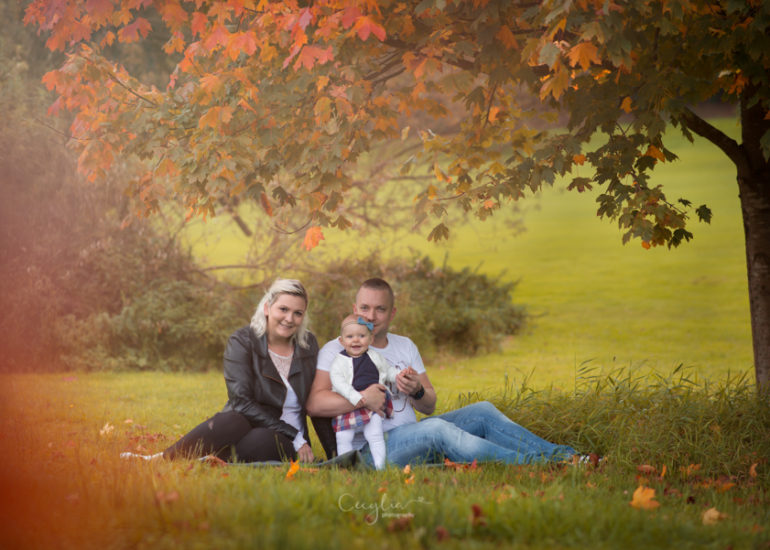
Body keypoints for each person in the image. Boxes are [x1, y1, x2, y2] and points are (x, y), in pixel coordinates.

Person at [306, 278, 583, 468]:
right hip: (372, 450)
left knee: (483, 411)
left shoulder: (405, 346)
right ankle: (538, 465)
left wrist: (416, 390)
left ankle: (566, 457)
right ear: (355, 310)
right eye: (365, 308)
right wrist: (363, 398)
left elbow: (429, 406)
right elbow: (315, 404)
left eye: (381, 309)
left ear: (392, 313)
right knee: (437, 429)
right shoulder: (336, 350)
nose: (372, 316)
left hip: (414, 433)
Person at [123, 279, 335, 463]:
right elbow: (241, 401)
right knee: (230, 419)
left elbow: (316, 401)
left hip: (283, 440)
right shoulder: (242, 341)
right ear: (267, 308)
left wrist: (334, 455)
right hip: (248, 425)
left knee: (265, 440)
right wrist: (296, 436)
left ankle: (213, 458)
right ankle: (161, 459)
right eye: (283, 309)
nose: (289, 319)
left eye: (298, 313)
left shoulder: (308, 345)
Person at [329, 314, 404, 469]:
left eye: (361, 336)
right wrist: (355, 396)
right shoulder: (339, 361)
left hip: (372, 407)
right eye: (350, 337)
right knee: (343, 436)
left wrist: (399, 376)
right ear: (342, 341)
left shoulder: (375, 357)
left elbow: (387, 371)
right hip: (351, 404)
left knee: (375, 436)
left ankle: (380, 467)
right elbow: (338, 382)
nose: (356, 340)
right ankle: (346, 466)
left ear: (370, 340)